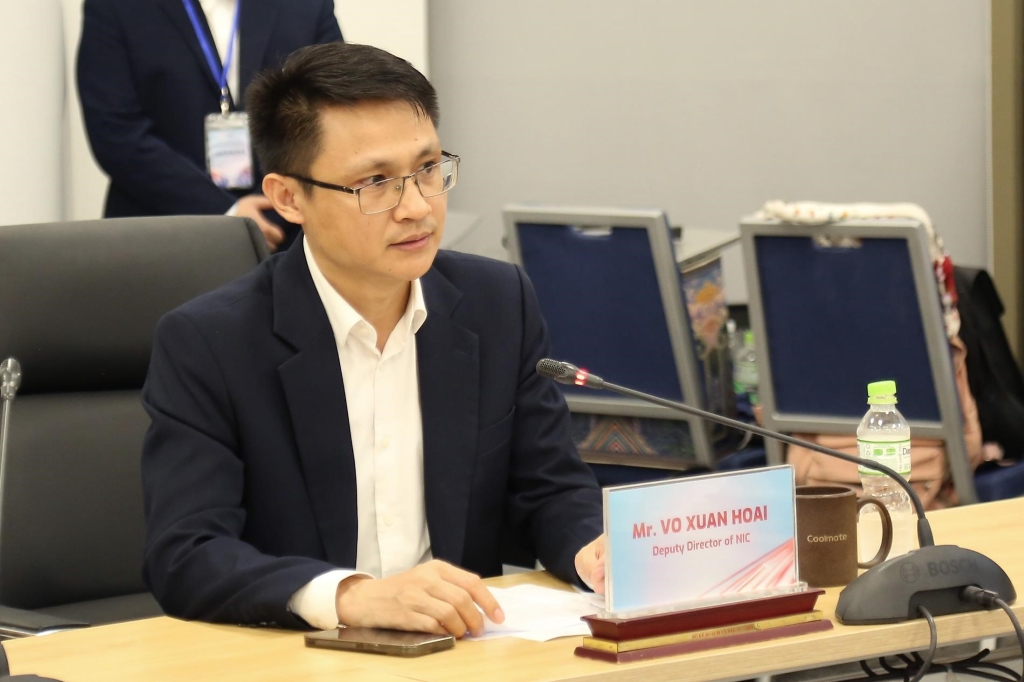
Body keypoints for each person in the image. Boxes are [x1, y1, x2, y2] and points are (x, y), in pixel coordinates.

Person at [141, 41, 606, 636]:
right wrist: (351, 597)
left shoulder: (497, 304)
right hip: (297, 659)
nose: (416, 207)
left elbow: (549, 489)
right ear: (289, 198)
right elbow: (187, 553)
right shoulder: (210, 342)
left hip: (462, 654)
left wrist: (591, 550)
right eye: (376, 182)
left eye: (429, 169)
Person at [76, 0, 342, 251]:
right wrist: (227, 213)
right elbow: (115, 132)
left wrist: (273, 208)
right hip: (160, 238)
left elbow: (333, 116)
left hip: (288, 235)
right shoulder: (117, 7)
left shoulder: (306, 5)